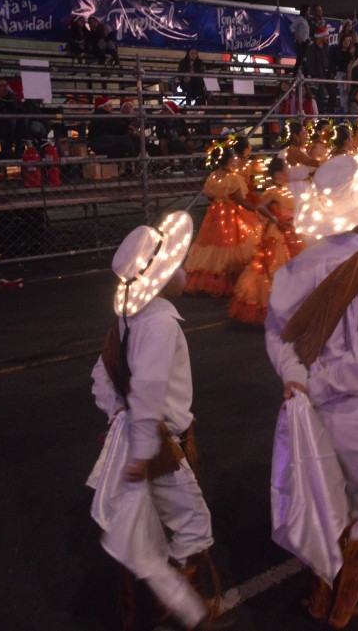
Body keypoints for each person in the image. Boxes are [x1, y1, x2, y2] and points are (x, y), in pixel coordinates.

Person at [265, 151, 358, 628]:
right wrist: (317, 386)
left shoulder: (291, 270)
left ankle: (322, 599)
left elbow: (277, 337)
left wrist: (297, 381)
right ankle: (352, 608)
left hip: (302, 408)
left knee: (325, 503)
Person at [88, 212, 230, 630]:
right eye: (173, 266)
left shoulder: (129, 318)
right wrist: (147, 448)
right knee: (192, 525)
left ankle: (156, 605)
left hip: (139, 436)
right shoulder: (161, 322)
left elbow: (103, 373)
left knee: (146, 527)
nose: (183, 271)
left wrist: (117, 413)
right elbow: (148, 390)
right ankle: (184, 607)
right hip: (160, 443)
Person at [229, 157, 306, 325]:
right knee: (275, 267)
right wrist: (274, 219)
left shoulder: (283, 189)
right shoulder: (273, 190)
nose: (287, 172)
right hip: (277, 235)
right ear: (279, 173)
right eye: (285, 170)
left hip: (289, 231)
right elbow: (260, 207)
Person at [183, 145, 259, 296]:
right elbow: (239, 199)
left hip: (215, 212)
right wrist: (254, 209)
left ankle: (209, 275)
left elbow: (209, 195)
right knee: (230, 242)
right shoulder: (233, 178)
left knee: (212, 243)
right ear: (230, 160)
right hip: (230, 213)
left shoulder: (213, 176)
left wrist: (219, 200)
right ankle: (227, 275)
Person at [291, 5, 312, 75]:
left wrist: (309, 39)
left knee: (305, 58)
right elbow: (291, 28)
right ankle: (295, 73)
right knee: (300, 58)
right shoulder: (299, 19)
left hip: (306, 41)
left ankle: (304, 73)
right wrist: (298, 37)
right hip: (301, 42)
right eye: (308, 10)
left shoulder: (306, 20)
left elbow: (306, 32)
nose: (309, 12)